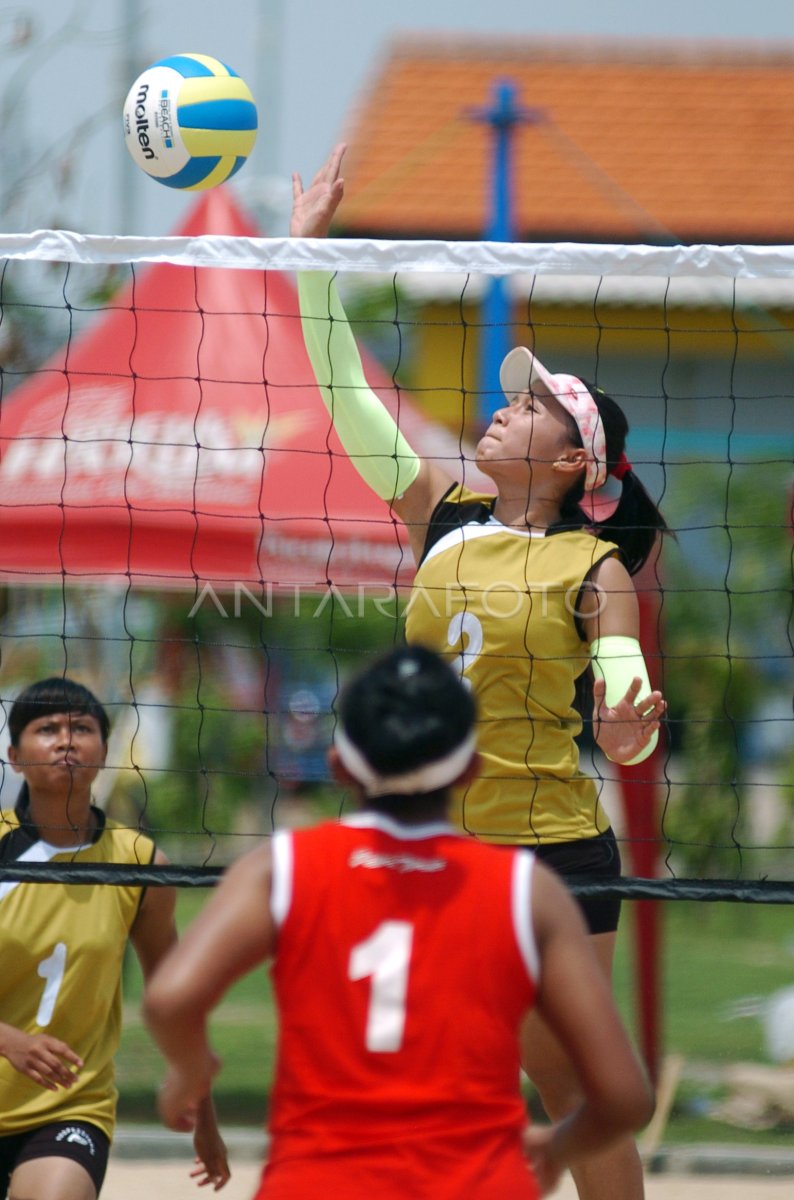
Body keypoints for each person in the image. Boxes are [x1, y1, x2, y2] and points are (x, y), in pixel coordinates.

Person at [288, 144, 669, 1200]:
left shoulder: (591, 565)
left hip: (548, 849)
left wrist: (629, 718)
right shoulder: (439, 521)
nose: (506, 405)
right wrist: (307, 258)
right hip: (431, 844)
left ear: (568, 463)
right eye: (514, 397)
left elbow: (621, 682)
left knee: (571, 1085)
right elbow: (346, 395)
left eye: (534, 404)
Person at [143, 645, 653, 1199]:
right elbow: (624, 1096)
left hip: (317, 1180)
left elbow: (170, 1001)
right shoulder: (526, 893)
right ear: (470, 769)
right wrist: (553, 1151)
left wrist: (190, 1073)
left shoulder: (282, 870)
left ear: (339, 766)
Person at [0, 677, 230, 1200]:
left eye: (82, 728)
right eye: (46, 729)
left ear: (103, 751)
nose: (66, 740)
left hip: (68, 1108)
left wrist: (205, 1117)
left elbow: (173, 997)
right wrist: (9, 1040)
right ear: (14, 756)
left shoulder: (140, 864)